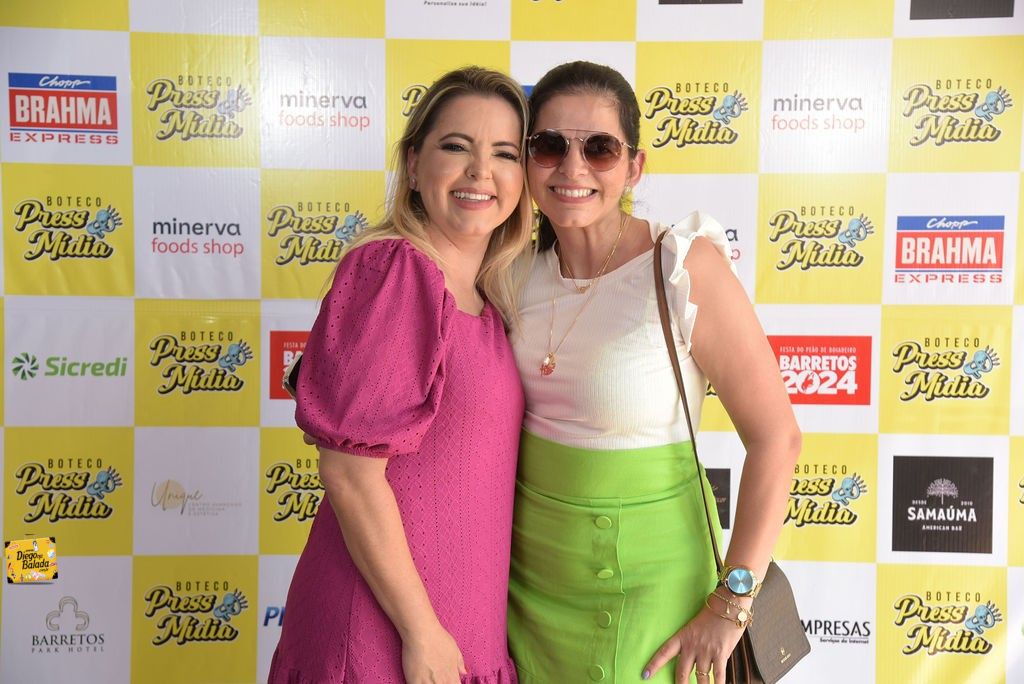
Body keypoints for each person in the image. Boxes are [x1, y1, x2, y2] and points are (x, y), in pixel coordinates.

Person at [506, 61, 802, 684]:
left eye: (600, 148)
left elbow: (777, 438)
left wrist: (732, 603)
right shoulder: (509, 274)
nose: (572, 167)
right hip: (527, 592)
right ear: (527, 159)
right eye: (550, 145)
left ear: (634, 167)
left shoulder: (682, 266)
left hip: (660, 594)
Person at [268, 66, 532, 684]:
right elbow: (349, 472)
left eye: (504, 153)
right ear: (413, 165)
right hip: (386, 633)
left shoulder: (491, 299)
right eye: (456, 147)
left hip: (462, 627)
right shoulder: (396, 270)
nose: (481, 172)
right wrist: (421, 631)